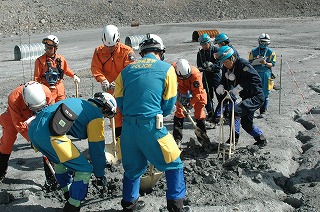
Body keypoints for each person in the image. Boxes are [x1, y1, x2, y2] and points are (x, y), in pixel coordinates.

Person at [114, 34, 189, 212]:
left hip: (128, 128)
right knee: (174, 162)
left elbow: (120, 102)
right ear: (160, 52)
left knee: (132, 168)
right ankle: (176, 206)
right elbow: (169, 103)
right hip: (151, 126)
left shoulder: (125, 72)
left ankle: (129, 204)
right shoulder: (166, 69)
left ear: (142, 53)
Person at [28, 92, 117, 212]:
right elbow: (97, 148)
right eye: (108, 113)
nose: (106, 117)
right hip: (50, 136)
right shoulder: (96, 115)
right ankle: (73, 206)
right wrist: (100, 174)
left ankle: (68, 193)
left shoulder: (79, 103)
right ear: (105, 107)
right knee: (85, 169)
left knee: (60, 162)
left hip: (34, 132)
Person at [0, 81, 54, 184]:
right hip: (14, 118)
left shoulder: (46, 92)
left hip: (38, 116)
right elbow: (18, 123)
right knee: (6, 144)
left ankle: (51, 178)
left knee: (47, 143)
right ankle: (1, 171)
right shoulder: (14, 98)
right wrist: (32, 140)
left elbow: (51, 112)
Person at [215, 46, 267, 147]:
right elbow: (225, 80)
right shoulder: (226, 67)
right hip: (246, 97)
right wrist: (221, 85)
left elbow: (256, 79)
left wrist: (240, 87)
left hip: (255, 96)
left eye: (226, 62)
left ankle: (233, 140)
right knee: (246, 124)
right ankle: (261, 139)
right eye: (223, 63)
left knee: (234, 112)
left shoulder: (243, 64)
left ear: (232, 58)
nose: (224, 65)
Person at [91, 24, 136, 139]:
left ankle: (131, 140)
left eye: (112, 46)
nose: (109, 49)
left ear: (119, 40)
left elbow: (130, 70)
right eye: (107, 46)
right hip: (110, 91)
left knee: (129, 114)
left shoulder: (127, 52)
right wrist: (103, 80)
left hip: (126, 90)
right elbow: (95, 68)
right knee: (115, 116)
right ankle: (118, 141)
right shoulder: (98, 51)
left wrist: (119, 82)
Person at [172, 59, 209, 146]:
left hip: (196, 92)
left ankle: (202, 139)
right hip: (182, 90)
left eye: (186, 77)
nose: (184, 79)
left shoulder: (195, 74)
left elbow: (197, 93)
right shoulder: (172, 69)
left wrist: (190, 106)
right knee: (179, 113)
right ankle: (177, 139)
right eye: (182, 77)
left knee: (199, 113)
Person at [34, 35, 81, 102]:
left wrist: (74, 76)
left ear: (55, 48)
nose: (47, 50)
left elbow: (66, 70)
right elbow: (36, 78)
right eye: (46, 47)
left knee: (62, 107)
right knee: (51, 109)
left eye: (50, 48)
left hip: (60, 89)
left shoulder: (61, 58)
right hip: (48, 90)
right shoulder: (40, 61)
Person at [196, 33, 222, 125]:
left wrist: (212, 66)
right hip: (206, 77)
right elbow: (198, 66)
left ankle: (220, 114)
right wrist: (202, 67)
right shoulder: (200, 53)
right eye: (202, 44)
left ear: (209, 43)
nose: (203, 46)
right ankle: (211, 113)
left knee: (220, 95)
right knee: (207, 96)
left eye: (205, 44)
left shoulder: (216, 50)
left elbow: (220, 64)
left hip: (216, 76)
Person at [249, 33, 277, 117]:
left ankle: (263, 111)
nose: (264, 44)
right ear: (259, 41)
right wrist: (255, 61)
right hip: (255, 73)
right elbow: (249, 62)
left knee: (265, 92)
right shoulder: (253, 51)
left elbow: (272, 64)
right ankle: (252, 110)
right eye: (262, 42)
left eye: (266, 43)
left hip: (266, 74)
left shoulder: (271, 52)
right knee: (254, 92)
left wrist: (265, 63)